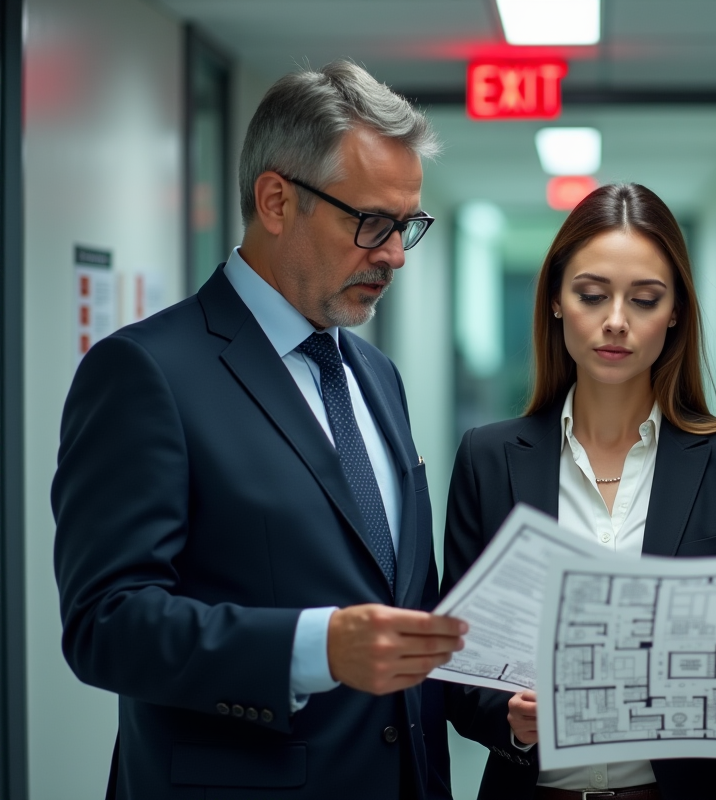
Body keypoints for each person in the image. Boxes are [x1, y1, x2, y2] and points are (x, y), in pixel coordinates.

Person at [52, 61, 466, 800]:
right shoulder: (147, 373)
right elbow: (105, 624)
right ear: (276, 200)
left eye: (406, 226)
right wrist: (314, 648)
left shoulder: (377, 376)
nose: (395, 254)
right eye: (371, 222)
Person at [443, 183, 716, 800]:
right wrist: (513, 722)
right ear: (554, 301)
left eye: (645, 299)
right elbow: (457, 671)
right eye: (591, 295)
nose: (616, 321)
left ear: (675, 310)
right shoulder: (487, 460)